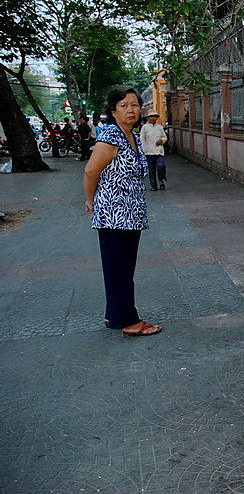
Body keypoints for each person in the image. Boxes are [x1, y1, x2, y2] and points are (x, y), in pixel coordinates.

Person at [83, 86, 162, 337]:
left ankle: (114, 314)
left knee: (122, 267)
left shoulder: (132, 135)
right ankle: (129, 321)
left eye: (135, 105)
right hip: (114, 214)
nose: (131, 110)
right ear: (114, 111)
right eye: (124, 106)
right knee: (120, 268)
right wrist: (90, 200)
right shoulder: (111, 136)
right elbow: (90, 171)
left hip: (130, 214)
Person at [140, 108, 168, 191]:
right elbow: (142, 140)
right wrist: (142, 151)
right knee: (151, 170)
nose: (153, 118)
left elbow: (165, 137)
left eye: (155, 116)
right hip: (148, 152)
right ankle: (153, 185)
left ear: (157, 118)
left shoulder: (159, 127)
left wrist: (162, 140)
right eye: (151, 116)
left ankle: (161, 180)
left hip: (159, 151)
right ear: (148, 118)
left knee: (161, 166)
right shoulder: (145, 127)